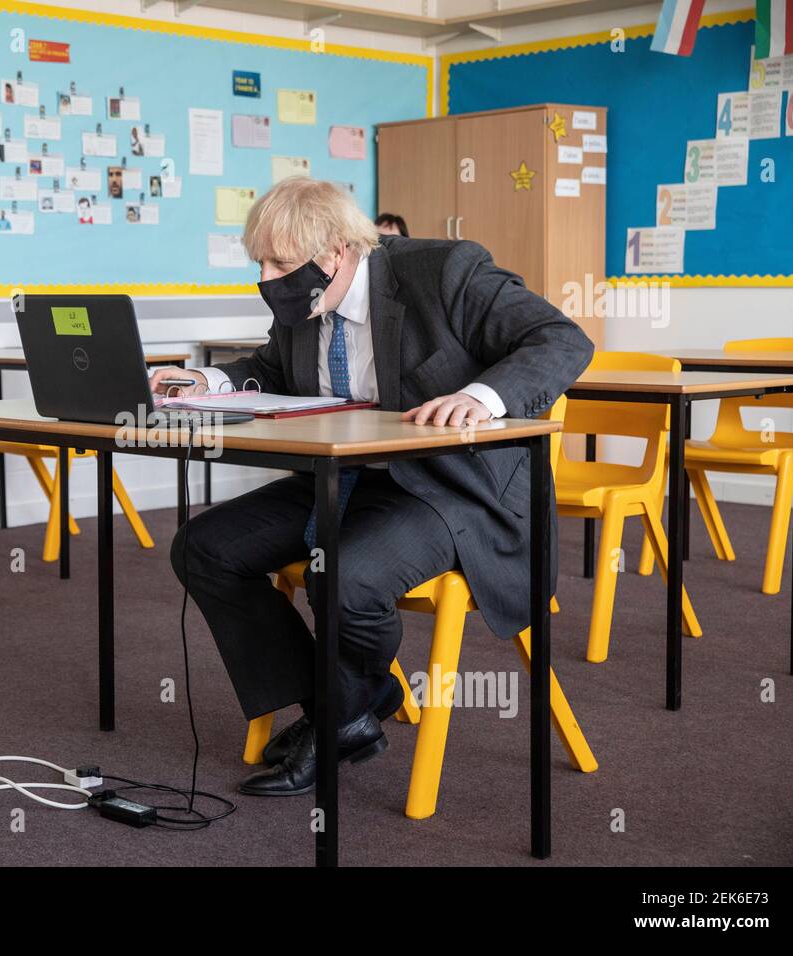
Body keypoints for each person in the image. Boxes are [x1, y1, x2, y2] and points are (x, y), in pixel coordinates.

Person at [150, 178, 592, 796]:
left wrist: (479, 397)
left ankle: (334, 716)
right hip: (346, 478)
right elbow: (270, 369)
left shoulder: (444, 271)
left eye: (280, 262)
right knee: (204, 548)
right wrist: (203, 382)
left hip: (449, 488)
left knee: (345, 574)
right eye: (260, 262)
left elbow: (562, 340)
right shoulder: (306, 302)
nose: (267, 276)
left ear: (334, 251)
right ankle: (344, 706)